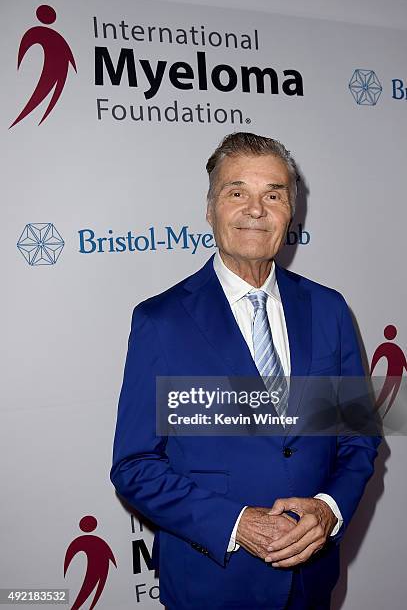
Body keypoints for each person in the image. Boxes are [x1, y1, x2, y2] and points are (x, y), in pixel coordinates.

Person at [110, 132, 381, 609]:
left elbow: (358, 436)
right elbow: (135, 467)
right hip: (213, 583)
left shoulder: (329, 309)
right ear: (210, 208)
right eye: (238, 192)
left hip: (311, 582)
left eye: (273, 195)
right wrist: (237, 523)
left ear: (290, 212)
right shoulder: (161, 321)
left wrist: (329, 509)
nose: (256, 209)